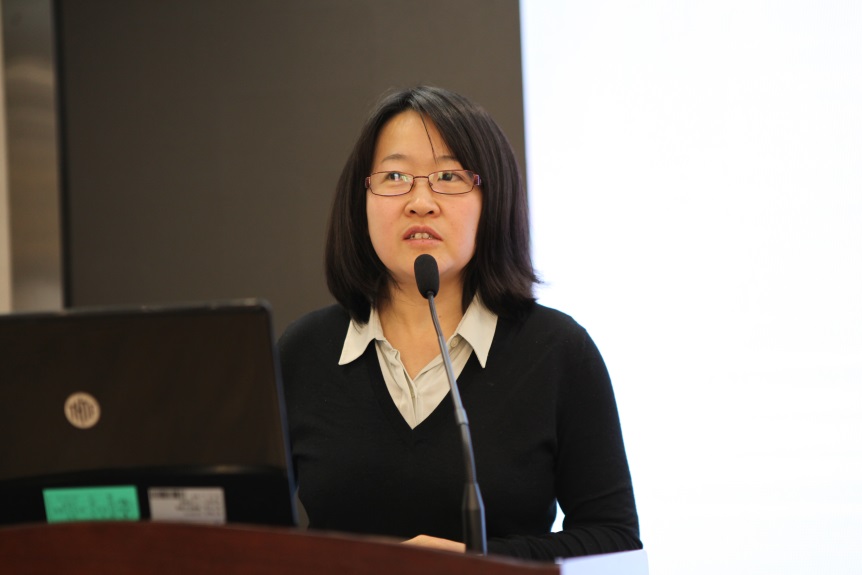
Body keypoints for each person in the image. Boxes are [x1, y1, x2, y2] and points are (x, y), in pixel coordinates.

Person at [277, 86, 641, 560]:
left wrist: (477, 564)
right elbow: (245, 539)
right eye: (394, 176)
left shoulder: (557, 351)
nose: (420, 202)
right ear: (361, 198)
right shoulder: (305, 352)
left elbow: (615, 542)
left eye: (448, 176)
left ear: (492, 197)